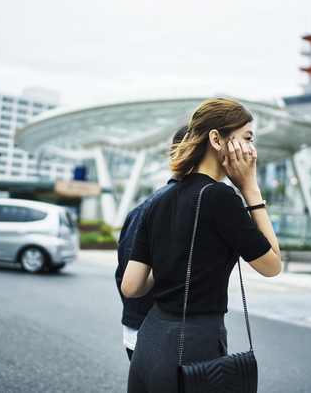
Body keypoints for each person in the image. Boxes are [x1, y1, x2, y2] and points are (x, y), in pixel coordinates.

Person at [121, 97, 282, 393]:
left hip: (150, 340)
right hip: (193, 341)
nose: (251, 149)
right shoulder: (219, 198)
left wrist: (175, 264)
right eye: (247, 138)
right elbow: (272, 265)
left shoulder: (159, 200)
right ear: (216, 139)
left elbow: (132, 287)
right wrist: (250, 188)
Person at [115, 125, 189, 361]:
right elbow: (131, 281)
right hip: (152, 333)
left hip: (168, 333)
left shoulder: (192, 205)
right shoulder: (157, 208)